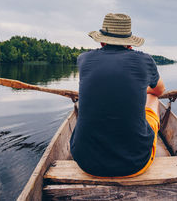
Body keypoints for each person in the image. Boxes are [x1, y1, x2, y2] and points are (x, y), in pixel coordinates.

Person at [70, 13, 165, 177]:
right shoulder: (145, 61)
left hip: (86, 162)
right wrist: (140, 90)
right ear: (129, 44)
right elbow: (159, 91)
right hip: (135, 164)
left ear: (101, 40)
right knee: (153, 98)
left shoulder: (83, 59)